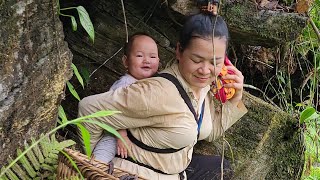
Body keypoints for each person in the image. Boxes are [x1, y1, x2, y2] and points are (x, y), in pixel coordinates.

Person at [78, 12, 247, 180]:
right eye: (197, 60)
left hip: (175, 173)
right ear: (179, 51)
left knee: (221, 168)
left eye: (215, 62)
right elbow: (88, 110)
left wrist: (235, 99)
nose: (205, 70)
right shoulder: (157, 92)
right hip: (136, 175)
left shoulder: (202, 87)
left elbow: (209, 132)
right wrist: (95, 169)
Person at [93, 32, 160, 163]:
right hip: (115, 132)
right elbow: (113, 111)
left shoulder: (156, 85)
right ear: (125, 61)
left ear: (158, 61)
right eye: (139, 55)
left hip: (137, 136)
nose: (146, 60)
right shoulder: (125, 84)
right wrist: (121, 135)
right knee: (105, 150)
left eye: (152, 56)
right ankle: (93, 168)